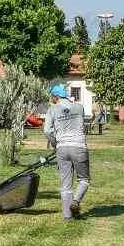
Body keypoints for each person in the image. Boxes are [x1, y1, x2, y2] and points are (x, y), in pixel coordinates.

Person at [44, 83, 90, 221]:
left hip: (62, 148)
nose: (51, 99)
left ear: (56, 97)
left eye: (52, 96)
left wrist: (55, 143)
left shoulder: (52, 110)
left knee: (66, 184)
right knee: (84, 179)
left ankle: (67, 215)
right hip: (79, 146)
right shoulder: (79, 107)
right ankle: (75, 201)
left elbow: (47, 131)